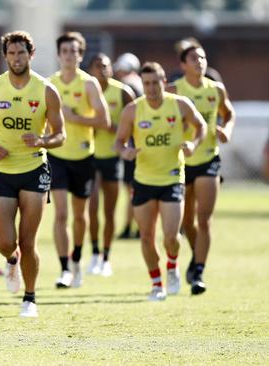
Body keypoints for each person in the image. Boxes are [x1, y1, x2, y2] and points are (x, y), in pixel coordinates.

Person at [0, 31, 65, 317]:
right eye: (12, 54)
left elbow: (60, 135)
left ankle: (30, 298)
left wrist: (42, 141)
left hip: (35, 168)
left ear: (31, 55)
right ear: (5, 56)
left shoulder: (46, 89)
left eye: (21, 53)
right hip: (1, 171)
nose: (17, 58)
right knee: (5, 242)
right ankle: (11, 260)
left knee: (29, 240)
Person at [115, 62, 206, 301]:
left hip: (172, 178)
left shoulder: (179, 105)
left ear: (163, 82)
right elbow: (119, 141)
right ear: (142, 84)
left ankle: (173, 265)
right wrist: (125, 152)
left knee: (171, 236)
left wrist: (193, 144)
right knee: (146, 236)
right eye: (147, 83)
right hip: (143, 180)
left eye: (156, 83)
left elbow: (201, 126)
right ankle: (157, 284)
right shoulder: (133, 110)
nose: (151, 88)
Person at [168, 44, 235, 295]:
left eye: (203, 57)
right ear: (183, 65)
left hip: (208, 159)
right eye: (194, 58)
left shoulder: (215, 89)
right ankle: (196, 255)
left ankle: (198, 271)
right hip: (182, 163)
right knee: (186, 221)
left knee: (204, 219)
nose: (200, 62)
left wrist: (226, 130)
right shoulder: (174, 91)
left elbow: (229, 113)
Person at [48, 32, 110, 288]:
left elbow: (104, 121)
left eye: (74, 51)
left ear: (80, 55)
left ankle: (76, 260)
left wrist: (74, 118)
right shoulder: (49, 84)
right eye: (65, 51)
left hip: (84, 156)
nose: (69, 56)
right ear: (59, 54)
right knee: (60, 214)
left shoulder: (89, 84)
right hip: (57, 155)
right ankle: (64, 269)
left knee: (80, 216)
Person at [87, 53, 135, 276]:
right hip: (90, 158)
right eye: (97, 66)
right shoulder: (85, 92)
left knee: (109, 211)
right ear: (90, 70)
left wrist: (114, 129)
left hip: (113, 159)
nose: (102, 69)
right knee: (93, 207)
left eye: (105, 66)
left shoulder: (123, 92)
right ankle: (94, 253)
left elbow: (135, 125)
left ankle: (106, 257)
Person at [113, 52, 143, 240]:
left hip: (133, 145)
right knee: (134, 189)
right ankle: (133, 226)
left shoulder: (129, 86)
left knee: (132, 189)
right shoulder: (140, 83)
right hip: (140, 142)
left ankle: (133, 227)